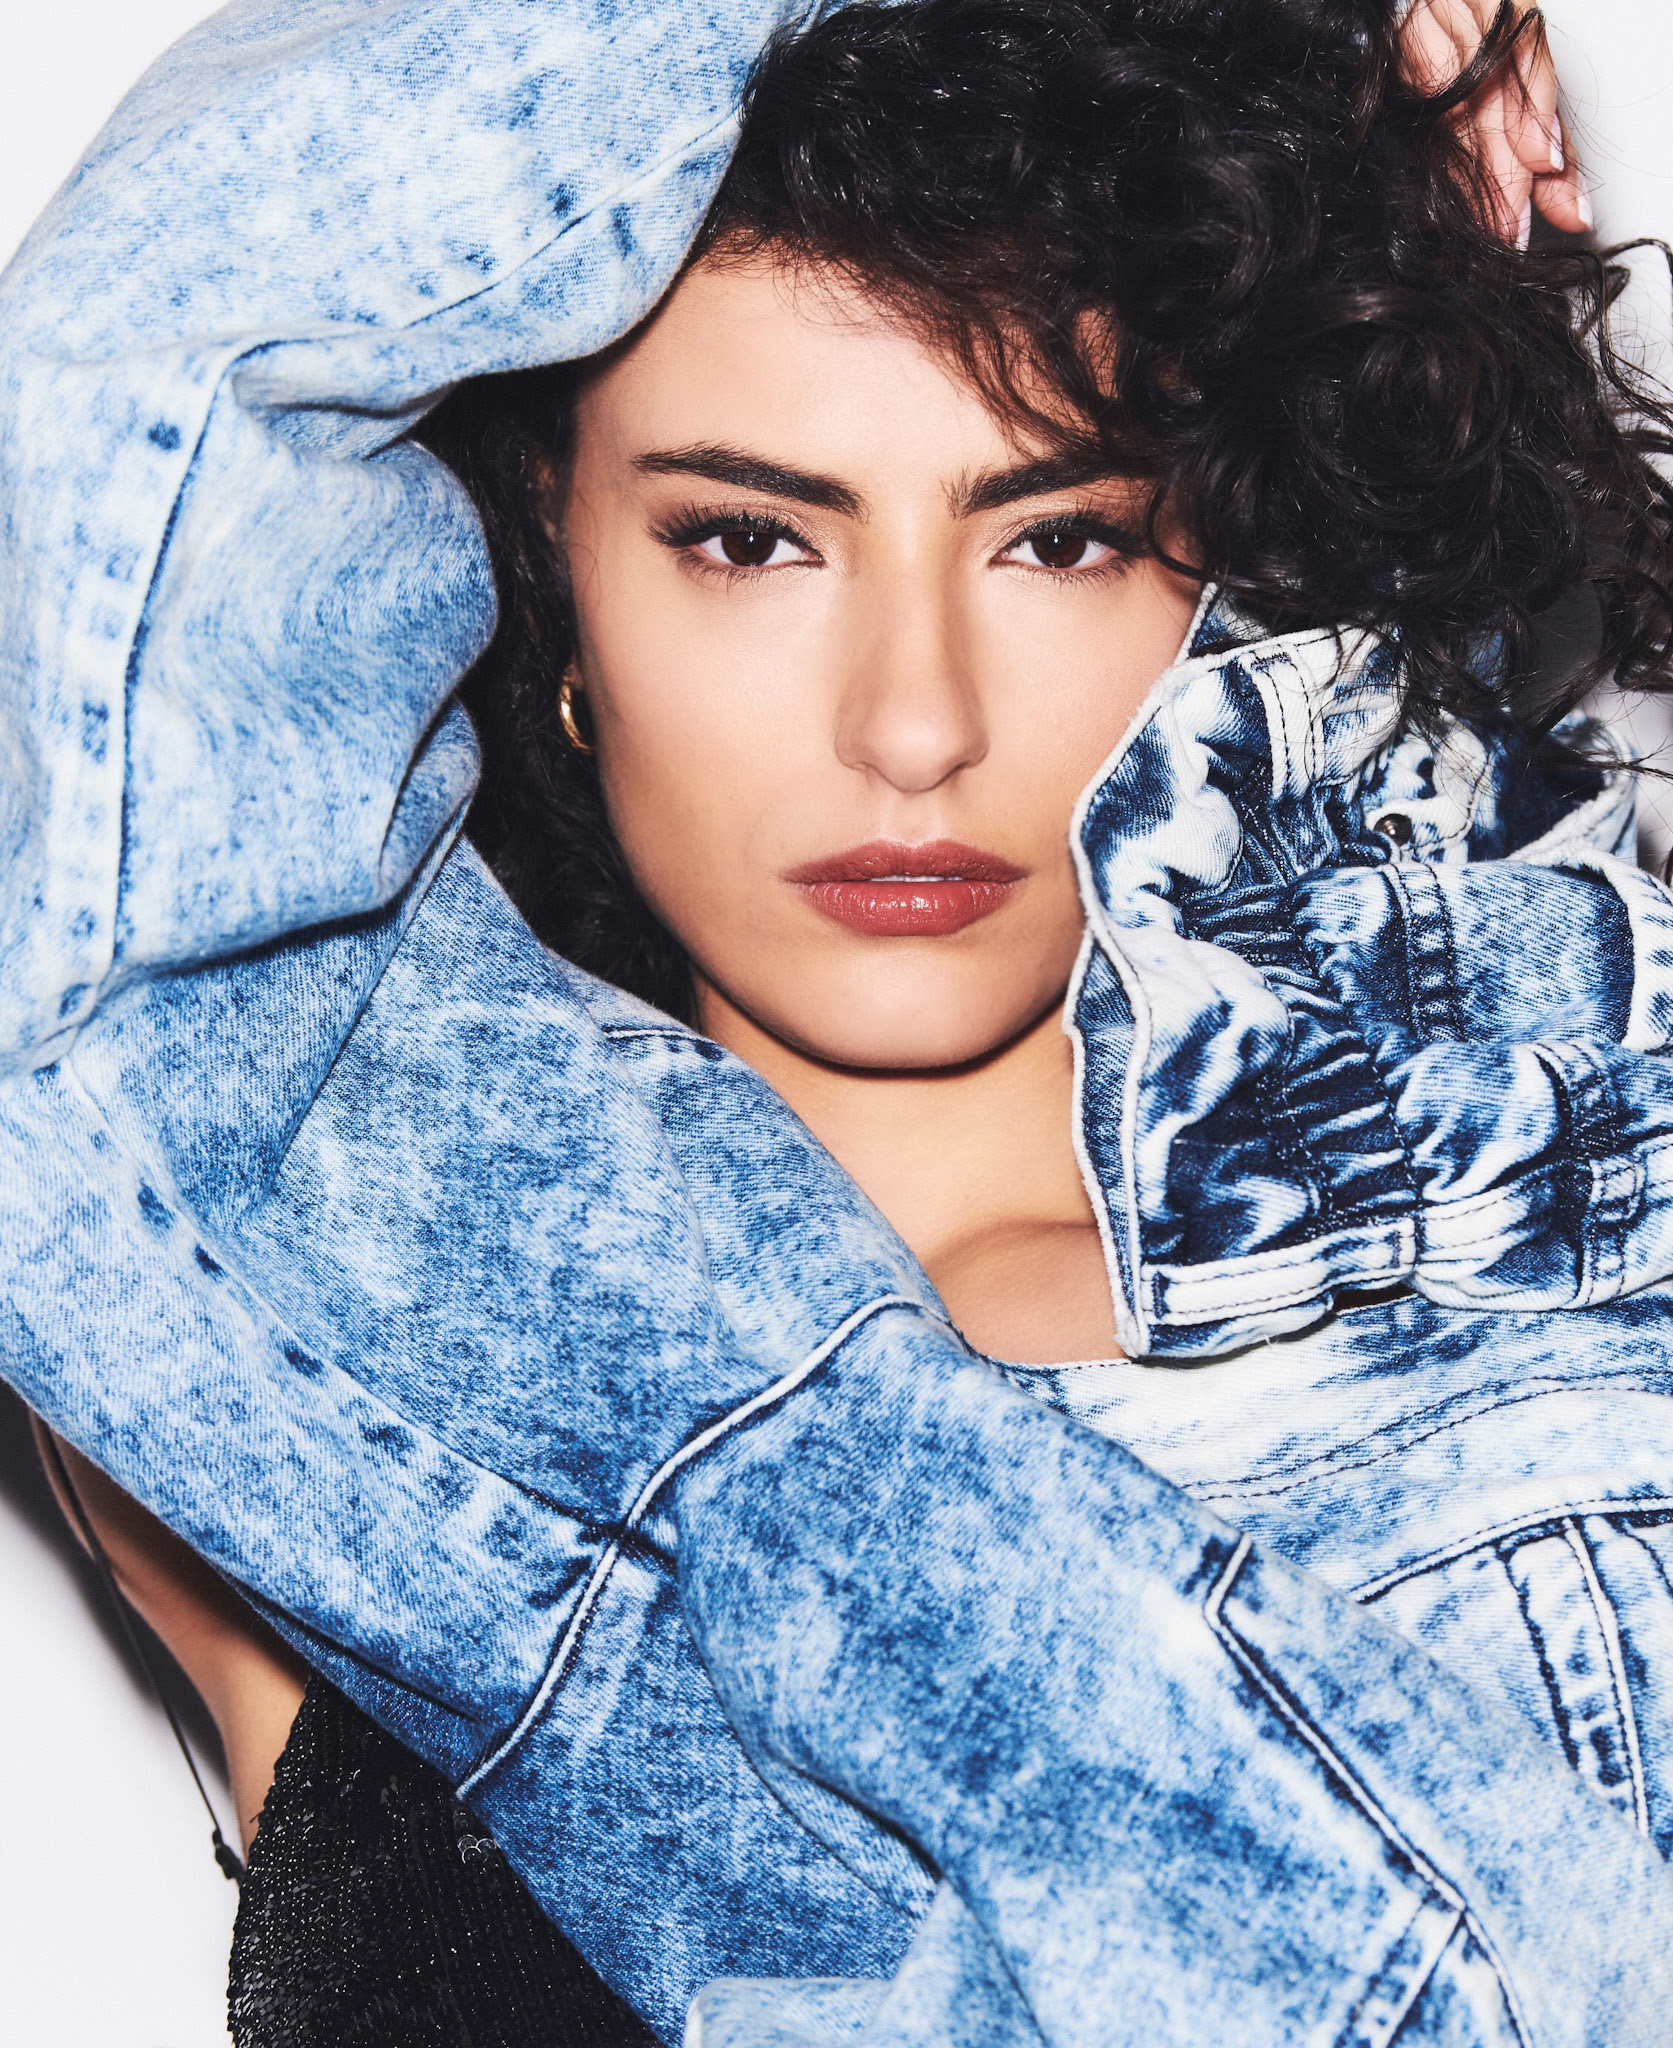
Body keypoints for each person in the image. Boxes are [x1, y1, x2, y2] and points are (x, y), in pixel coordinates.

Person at [3, 0, 1672, 2042]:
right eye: (748, 539)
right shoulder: (334, 1341)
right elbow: (118, 431)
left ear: (1224, 569)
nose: (913, 721)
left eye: (1057, 538)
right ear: (547, 570)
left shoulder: (1556, 1210)